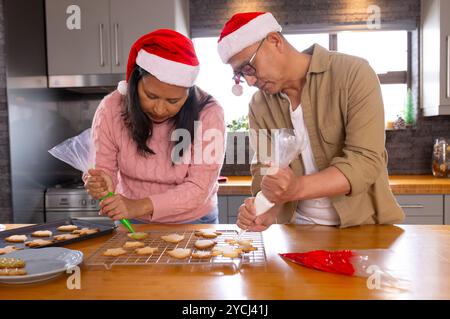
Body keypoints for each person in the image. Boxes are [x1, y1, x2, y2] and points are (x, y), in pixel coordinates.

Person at [216, 12, 404, 230]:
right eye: (240, 74)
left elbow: (364, 161)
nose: (248, 81)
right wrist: (266, 210)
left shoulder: (353, 74)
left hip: (363, 228)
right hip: (299, 231)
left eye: (248, 67)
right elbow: (265, 169)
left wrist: (296, 188)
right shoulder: (259, 105)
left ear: (274, 41)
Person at [84, 29, 225, 224]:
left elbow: (199, 188)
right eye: (151, 96)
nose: (160, 109)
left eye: (173, 100)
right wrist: (101, 182)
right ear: (134, 83)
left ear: (188, 93)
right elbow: (103, 169)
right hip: (133, 220)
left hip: (194, 221)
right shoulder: (111, 108)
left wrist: (139, 206)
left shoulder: (209, 113)